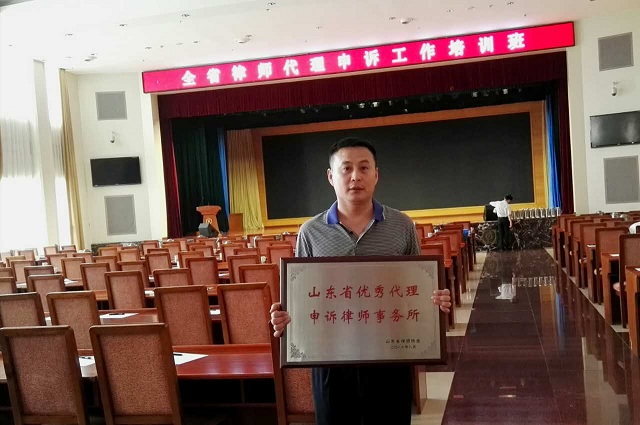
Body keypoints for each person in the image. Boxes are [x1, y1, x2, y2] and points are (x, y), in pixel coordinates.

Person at [270, 137, 452, 425]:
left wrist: (435, 301)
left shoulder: (401, 226)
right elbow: (300, 295)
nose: (355, 176)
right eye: (346, 168)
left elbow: (417, 288)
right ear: (331, 177)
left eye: (364, 168)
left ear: (376, 175)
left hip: (389, 359)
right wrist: (285, 316)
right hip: (330, 362)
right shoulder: (310, 232)